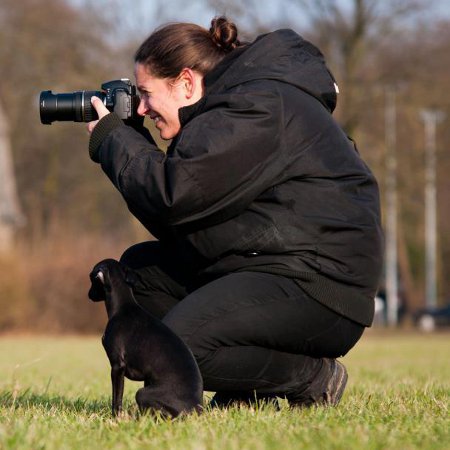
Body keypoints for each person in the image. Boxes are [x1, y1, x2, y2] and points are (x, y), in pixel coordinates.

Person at [87, 17, 383, 408]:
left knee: (176, 346)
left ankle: (311, 378)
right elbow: (179, 219)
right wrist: (130, 139)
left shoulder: (254, 107)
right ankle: (246, 391)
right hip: (270, 266)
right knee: (137, 277)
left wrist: (114, 140)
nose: (142, 108)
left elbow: (172, 195)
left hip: (322, 286)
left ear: (186, 82)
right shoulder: (227, 111)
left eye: (146, 94)